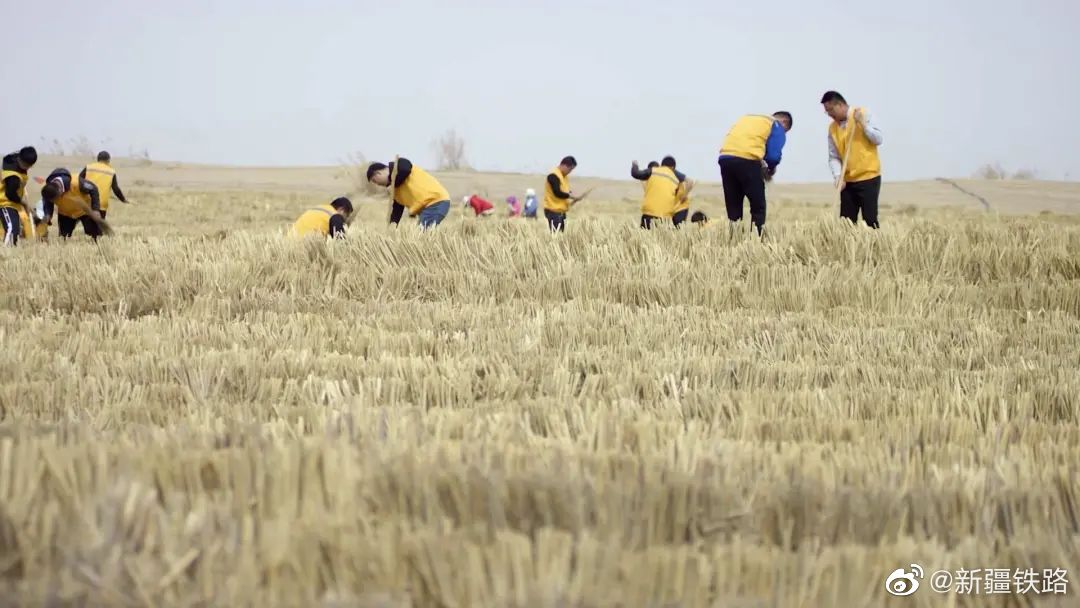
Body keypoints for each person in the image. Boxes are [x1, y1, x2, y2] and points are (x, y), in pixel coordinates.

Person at [717, 111, 793, 235]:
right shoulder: (776, 125)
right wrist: (770, 169)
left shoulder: (747, 118)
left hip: (725, 158)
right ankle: (756, 238)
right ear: (784, 122)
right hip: (748, 159)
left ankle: (734, 239)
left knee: (734, 206)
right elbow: (773, 156)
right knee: (758, 205)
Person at [822, 91, 883, 229]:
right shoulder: (832, 128)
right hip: (847, 181)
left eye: (831, 110)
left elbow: (878, 139)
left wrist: (863, 125)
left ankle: (874, 247)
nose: (830, 114)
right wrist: (838, 176)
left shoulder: (862, 114)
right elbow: (834, 157)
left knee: (870, 219)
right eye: (827, 112)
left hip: (868, 177)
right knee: (846, 223)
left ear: (840, 105)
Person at [366, 157, 451, 229]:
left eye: (375, 181)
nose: (377, 184)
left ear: (378, 173)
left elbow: (405, 168)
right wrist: (392, 225)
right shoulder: (395, 189)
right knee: (422, 234)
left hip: (435, 201)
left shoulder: (398, 165)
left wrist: (394, 183)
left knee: (423, 236)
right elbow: (397, 209)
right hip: (428, 208)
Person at [40, 167, 104, 240]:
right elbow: (48, 203)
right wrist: (48, 215)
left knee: (95, 235)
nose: (55, 202)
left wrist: (96, 209)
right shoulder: (48, 190)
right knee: (63, 238)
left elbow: (93, 189)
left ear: (60, 190)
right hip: (65, 214)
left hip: (84, 211)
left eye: (56, 199)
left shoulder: (76, 182)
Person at [631, 156, 688, 229]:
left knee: (645, 234)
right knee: (660, 237)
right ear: (673, 167)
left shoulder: (654, 171)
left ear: (661, 164)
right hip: (665, 216)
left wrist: (635, 165)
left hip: (649, 212)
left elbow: (635, 174)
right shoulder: (676, 179)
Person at [1, 146, 37, 246]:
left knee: (15, 229)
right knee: (11, 227)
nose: (27, 168)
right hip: (4, 203)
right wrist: (24, 203)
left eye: (29, 166)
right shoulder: (13, 176)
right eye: (25, 165)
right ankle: (5, 252)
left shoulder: (16, 161)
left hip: (12, 204)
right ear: (19, 159)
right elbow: (10, 194)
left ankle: (12, 250)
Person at [80, 151, 130, 219]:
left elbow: (78, 181)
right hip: (101, 204)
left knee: (88, 227)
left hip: (87, 202)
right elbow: (116, 189)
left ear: (98, 159)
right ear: (108, 160)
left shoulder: (89, 167)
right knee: (99, 227)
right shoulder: (111, 171)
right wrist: (123, 199)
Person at [543, 156, 585, 232]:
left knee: (560, 236)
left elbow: (565, 191)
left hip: (560, 212)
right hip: (553, 211)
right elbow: (557, 192)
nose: (570, 171)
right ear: (564, 165)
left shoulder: (564, 177)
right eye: (570, 169)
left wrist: (573, 196)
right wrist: (571, 196)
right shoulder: (553, 176)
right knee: (555, 236)